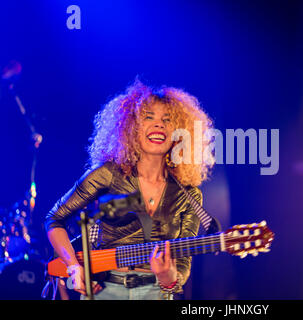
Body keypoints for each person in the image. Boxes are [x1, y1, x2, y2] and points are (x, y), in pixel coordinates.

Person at [44, 78, 214, 300]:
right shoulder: (107, 174)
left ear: (179, 132)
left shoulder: (189, 194)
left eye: (167, 119)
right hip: (104, 290)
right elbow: (54, 219)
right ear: (132, 127)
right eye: (148, 117)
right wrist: (74, 266)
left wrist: (171, 278)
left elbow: (183, 262)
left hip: (156, 293)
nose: (158, 124)